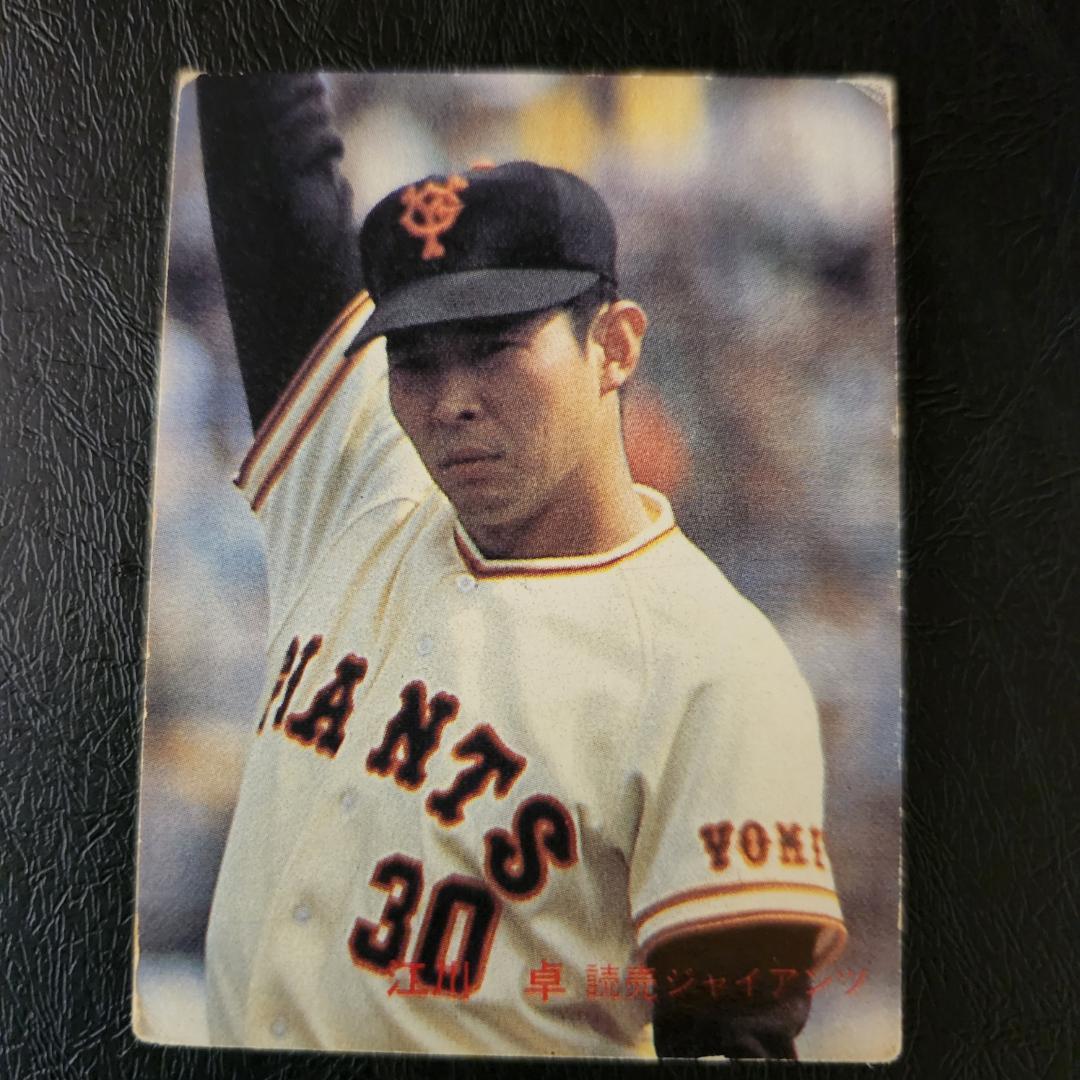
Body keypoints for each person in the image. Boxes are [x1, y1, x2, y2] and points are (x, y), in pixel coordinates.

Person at [195, 73, 845, 1060]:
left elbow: (734, 1041)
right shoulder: (363, 483)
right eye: (415, 359)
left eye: (496, 346)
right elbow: (266, 160)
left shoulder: (718, 671)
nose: (450, 399)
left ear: (614, 346)